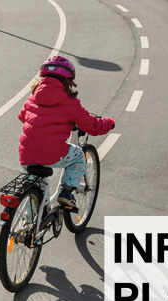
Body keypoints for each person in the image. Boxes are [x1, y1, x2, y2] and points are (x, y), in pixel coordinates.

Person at [18, 55, 116, 210]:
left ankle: (27, 226)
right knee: (78, 156)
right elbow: (92, 125)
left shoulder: (32, 98)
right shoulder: (70, 103)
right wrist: (108, 123)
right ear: (68, 81)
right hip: (52, 154)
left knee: (36, 189)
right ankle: (66, 192)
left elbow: (22, 117)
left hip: (26, 155)